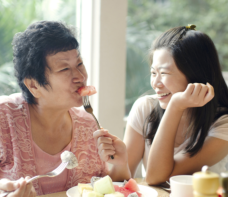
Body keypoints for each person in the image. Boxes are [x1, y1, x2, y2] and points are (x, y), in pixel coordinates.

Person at [0, 21, 130, 196]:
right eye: (64, 69)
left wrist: (121, 164)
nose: (80, 76)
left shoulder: (88, 124)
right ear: (34, 86)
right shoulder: (4, 117)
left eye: (79, 64)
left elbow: (104, 191)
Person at [94, 24, 228, 185]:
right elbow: (118, 183)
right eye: (153, 73)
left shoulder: (223, 123)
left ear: (196, 75)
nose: (155, 83)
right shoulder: (145, 108)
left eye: (164, 73)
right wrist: (122, 163)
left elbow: (156, 177)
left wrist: (175, 106)